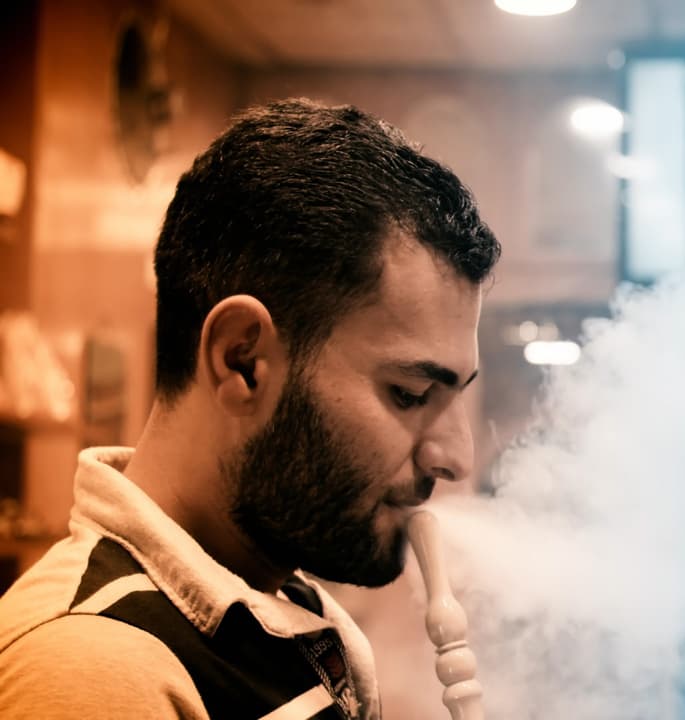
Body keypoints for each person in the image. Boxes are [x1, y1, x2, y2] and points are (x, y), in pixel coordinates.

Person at [0, 99, 500, 718]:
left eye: (457, 395)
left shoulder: (300, 613)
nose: (455, 458)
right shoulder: (92, 671)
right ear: (242, 360)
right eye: (411, 394)